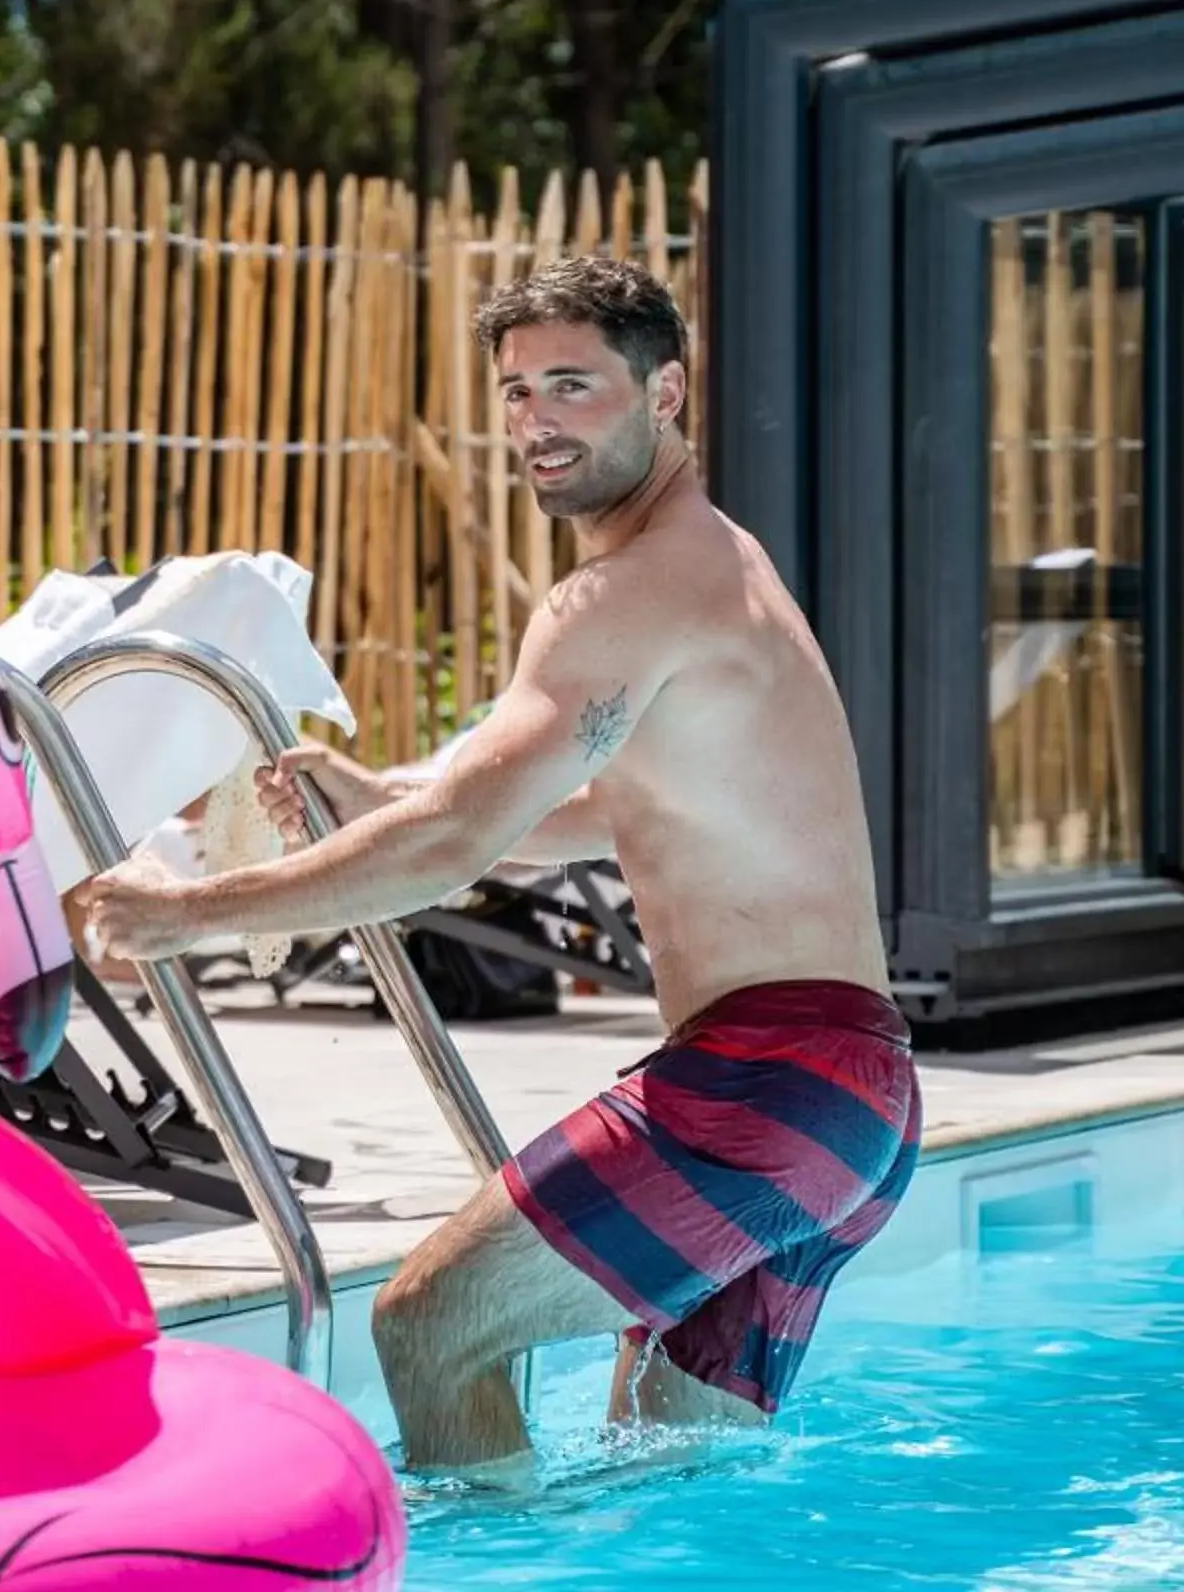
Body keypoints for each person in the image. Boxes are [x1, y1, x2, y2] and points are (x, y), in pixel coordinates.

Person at [66, 251, 920, 1482]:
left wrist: (183, 911)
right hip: (855, 1102)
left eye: (573, 386)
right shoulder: (719, 565)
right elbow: (610, 809)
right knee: (668, 1469)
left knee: (431, 1326)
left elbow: (455, 845)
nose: (536, 423)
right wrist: (388, 793)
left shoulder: (626, 591)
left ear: (665, 392)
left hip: (765, 1081)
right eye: (517, 393)